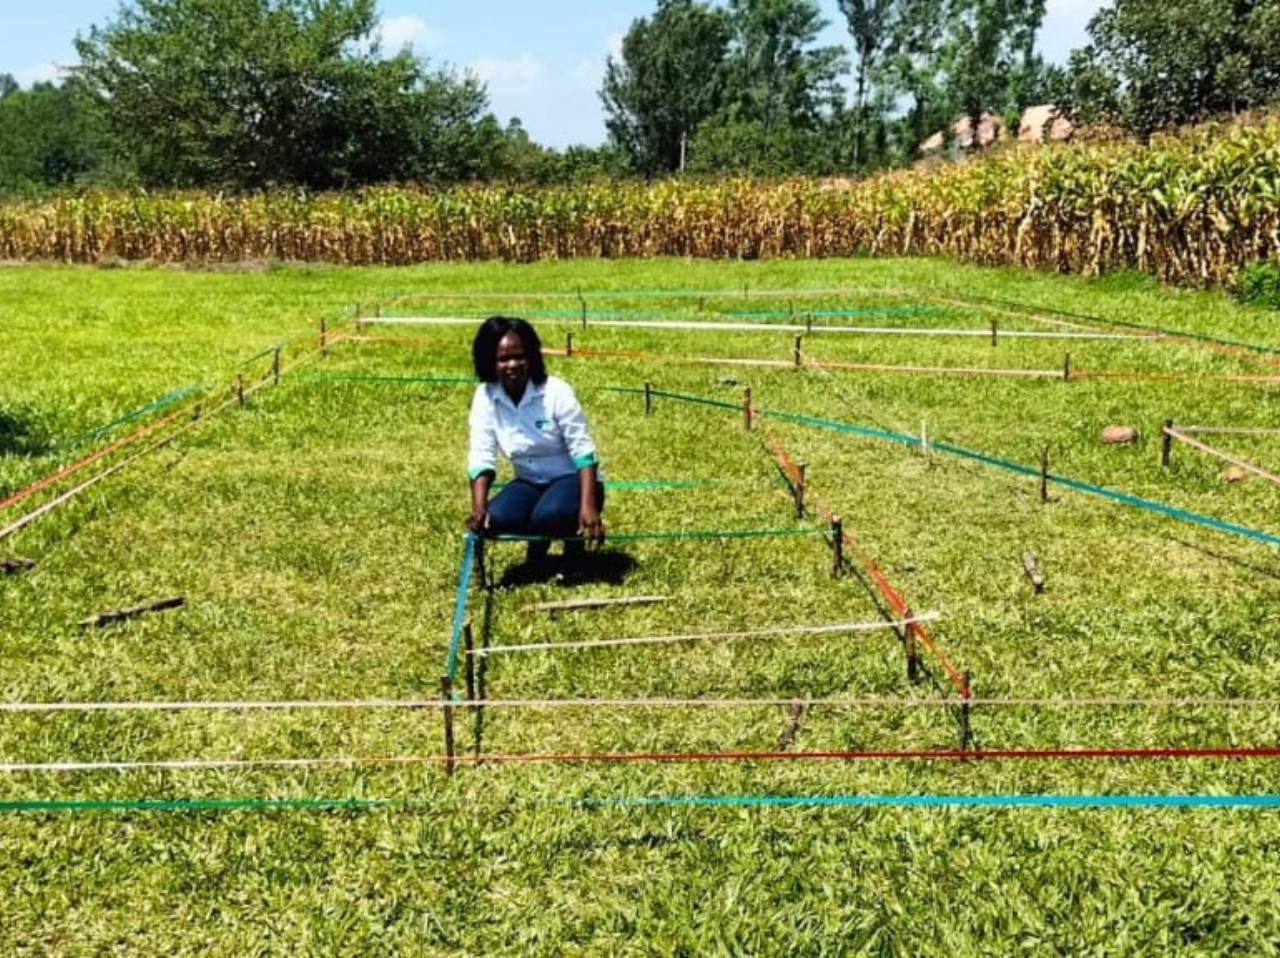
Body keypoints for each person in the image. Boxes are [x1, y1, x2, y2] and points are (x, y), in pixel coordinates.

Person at [465, 316, 605, 566]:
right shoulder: (485, 396)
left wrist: (588, 506)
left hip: (572, 480)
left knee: (550, 515)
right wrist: (479, 509)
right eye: (503, 359)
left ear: (532, 356)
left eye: (520, 356)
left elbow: (584, 452)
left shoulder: (556, 392)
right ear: (489, 361)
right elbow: (481, 454)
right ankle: (539, 544)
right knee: (496, 520)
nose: (513, 365)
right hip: (529, 482)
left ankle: (574, 554)